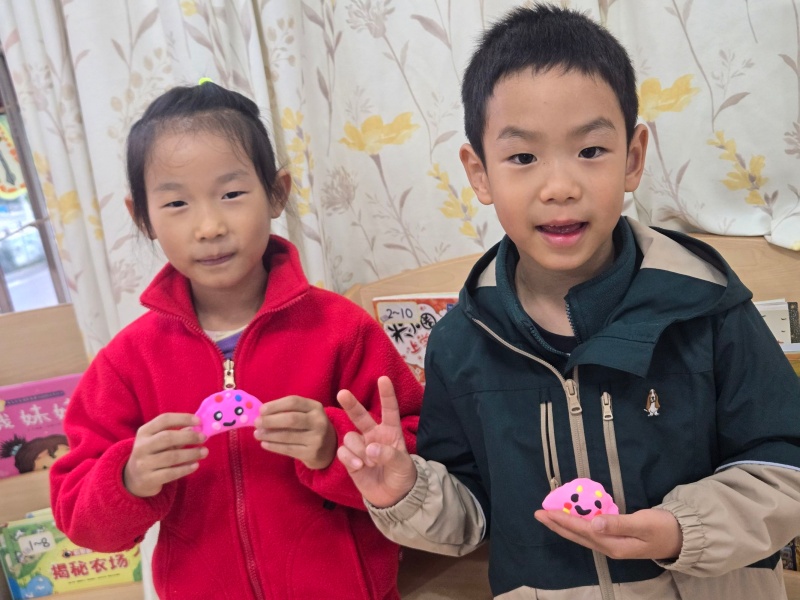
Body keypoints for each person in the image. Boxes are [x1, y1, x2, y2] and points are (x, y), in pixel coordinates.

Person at [336, 5, 800, 599]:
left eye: (590, 151)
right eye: (523, 158)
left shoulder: (706, 305)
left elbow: (784, 466)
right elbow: (471, 516)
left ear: (633, 157)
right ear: (479, 174)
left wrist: (681, 530)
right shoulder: (462, 342)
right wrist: (404, 492)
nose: (559, 187)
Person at [49, 81, 423, 600]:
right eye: (176, 202)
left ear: (277, 193)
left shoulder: (342, 329)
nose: (208, 226)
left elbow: (420, 457)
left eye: (231, 194)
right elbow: (81, 519)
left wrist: (335, 445)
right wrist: (129, 477)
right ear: (143, 218)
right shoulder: (127, 362)